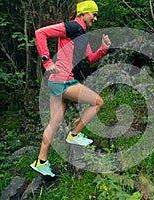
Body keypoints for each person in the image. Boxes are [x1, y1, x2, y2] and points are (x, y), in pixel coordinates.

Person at [30, 0, 111, 177]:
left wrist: (104, 48)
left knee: (55, 122)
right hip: (63, 81)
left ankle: (41, 161)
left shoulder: (82, 34)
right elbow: (40, 33)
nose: (95, 18)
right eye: (93, 14)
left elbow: (91, 58)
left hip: (59, 81)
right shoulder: (73, 26)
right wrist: (47, 61)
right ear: (83, 13)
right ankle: (74, 134)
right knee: (98, 102)